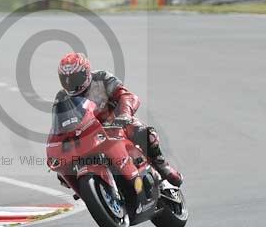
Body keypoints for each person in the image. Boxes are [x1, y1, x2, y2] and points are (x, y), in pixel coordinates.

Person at [55, 52, 184, 187]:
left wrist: (124, 114)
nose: (70, 84)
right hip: (87, 135)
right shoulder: (62, 97)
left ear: (86, 73)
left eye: (74, 78)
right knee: (63, 173)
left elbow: (126, 95)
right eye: (65, 79)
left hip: (116, 124)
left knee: (143, 132)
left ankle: (162, 165)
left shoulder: (102, 78)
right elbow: (59, 124)